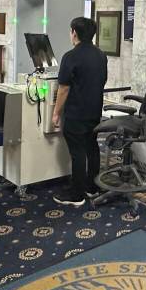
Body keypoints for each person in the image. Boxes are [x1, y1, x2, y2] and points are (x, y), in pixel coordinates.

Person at [51, 17, 108, 206]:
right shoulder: (101, 55)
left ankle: (77, 194)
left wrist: (56, 113)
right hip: (94, 111)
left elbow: (64, 88)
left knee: (77, 152)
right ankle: (92, 187)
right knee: (92, 148)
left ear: (74, 32)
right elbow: (102, 81)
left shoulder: (70, 56)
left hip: (76, 112)